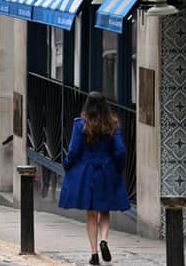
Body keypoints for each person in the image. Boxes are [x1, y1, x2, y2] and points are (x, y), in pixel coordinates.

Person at [58, 92, 130, 266]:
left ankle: (94, 254)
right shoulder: (113, 125)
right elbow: (120, 151)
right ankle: (104, 240)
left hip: (87, 172)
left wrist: (67, 164)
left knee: (91, 213)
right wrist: (117, 168)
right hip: (106, 171)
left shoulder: (80, 125)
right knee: (105, 210)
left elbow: (74, 150)